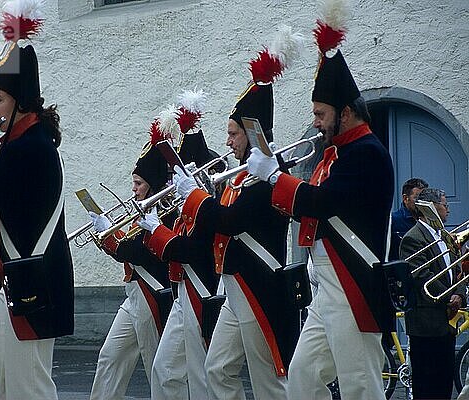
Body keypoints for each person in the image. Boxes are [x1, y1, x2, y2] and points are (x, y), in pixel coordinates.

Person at [142, 32, 303, 399]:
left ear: (252, 133)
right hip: (234, 284)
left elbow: (230, 222)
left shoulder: (265, 176)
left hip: (257, 281)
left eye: (233, 134)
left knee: (268, 379)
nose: (228, 142)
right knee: (217, 370)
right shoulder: (243, 175)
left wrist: (195, 196)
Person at [247, 4, 395, 399]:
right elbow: (303, 201)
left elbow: (320, 201)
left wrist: (274, 177)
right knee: (302, 379)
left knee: (361, 386)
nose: (315, 122)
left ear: (344, 112)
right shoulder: (338, 153)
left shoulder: (364, 151)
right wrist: (272, 174)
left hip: (352, 281)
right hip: (326, 285)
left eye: (320, 113)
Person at [0, 2, 74, 398]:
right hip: (20, 276)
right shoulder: (20, 142)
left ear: (21, 100)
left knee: (30, 387)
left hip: (35, 279)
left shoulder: (28, 146)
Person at [138, 102, 220, 400]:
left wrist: (155, 230)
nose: (173, 183)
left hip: (201, 288)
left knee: (201, 376)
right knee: (165, 371)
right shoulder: (184, 205)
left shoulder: (206, 202)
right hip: (182, 291)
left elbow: (190, 249)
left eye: (178, 177)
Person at [88, 127, 176, 399]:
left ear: (152, 183)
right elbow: (127, 250)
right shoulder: (144, 211)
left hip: (151, 297)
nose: (134, 189)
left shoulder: (164, 212)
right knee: (109, 358)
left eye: (138, 183)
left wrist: (109, 236)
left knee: (157, 369)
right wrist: (108, 235)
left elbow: (137, 252)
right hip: (134, 295)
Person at [400, 188, 465, 400]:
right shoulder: (413, 238)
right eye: (445, 205)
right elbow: (422, 276)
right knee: (427, 386)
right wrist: (449, 297)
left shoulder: (445, 236)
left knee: (444, 383)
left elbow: (459, 271)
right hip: (425, 323)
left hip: (446, 322)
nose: (448, 210)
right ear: (430, 207)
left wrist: (460, 295)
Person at [389, 178, 428, 261]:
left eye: (424, 199)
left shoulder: (430, 220)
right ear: (405, 198)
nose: (422, 202)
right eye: (417, 198)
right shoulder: (393, 221)